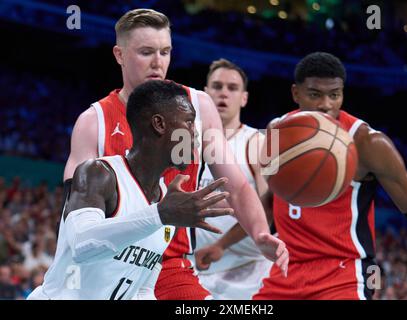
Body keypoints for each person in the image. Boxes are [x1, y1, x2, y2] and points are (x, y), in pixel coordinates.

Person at [62, 9, 288, 300]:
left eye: (165, 52)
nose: (158, 62)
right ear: (119, 54)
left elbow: (236, 185)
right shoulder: (94, 121)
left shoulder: (198, 106)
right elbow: (77, 222)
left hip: (169, 266)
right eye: (146, 52)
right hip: (108, 266)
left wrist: (259, 234)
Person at [252, 52, 407, 299]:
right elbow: (268, 200)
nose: (326, 104)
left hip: (345, 276)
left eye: (334, 95)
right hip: (285, 272)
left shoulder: (368, 143)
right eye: (315, 94)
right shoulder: (276, 132)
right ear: (296, 94)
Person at [27, 80, 233, 299]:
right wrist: (159, 215)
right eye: (189, 122)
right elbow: (82, 246)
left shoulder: (165, 199)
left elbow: (143, 288)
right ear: (159, 124)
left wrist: (161, 214)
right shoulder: (99, 173)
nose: (196, 133)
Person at [192, 59, 273, 300]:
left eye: (232, 88)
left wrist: (222, 245)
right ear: (205, 94)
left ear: (244, 98)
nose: (223, 93)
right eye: (216, 86)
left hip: (247, 274)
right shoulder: (186, 143)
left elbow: (269, 210)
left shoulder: (259, 143)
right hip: (193, 270)